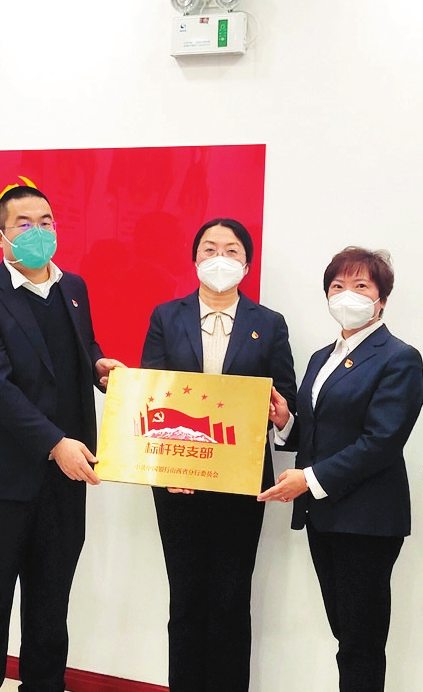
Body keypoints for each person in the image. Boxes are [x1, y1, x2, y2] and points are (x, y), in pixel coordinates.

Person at [0, 185, 123, 692]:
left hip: (65, 480)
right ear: (1, 236)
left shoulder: (74, 287)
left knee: (50, 609)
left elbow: (76, 349)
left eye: (46, 221)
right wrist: (54, 443)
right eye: (23, 223)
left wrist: (97, 367)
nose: (38, 231)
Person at [140, 218, 297, 692]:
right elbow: (151, 395)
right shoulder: (166, 317)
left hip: (242, 481)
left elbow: (286, 402)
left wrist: (282, 415)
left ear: (246, 266)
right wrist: (165, 467)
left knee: (231, 599)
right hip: (177, 481)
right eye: (209, 249)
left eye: (231, 251)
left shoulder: (268, 324)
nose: (219, 258)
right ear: (194, 260)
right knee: (186, 597)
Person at [258, 246, 423, 692]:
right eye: (337, 285)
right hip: (325, 515)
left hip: (367, 519)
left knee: (360, 642)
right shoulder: (321, 357)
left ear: (382, 299)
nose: (347, 294)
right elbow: (318, 432)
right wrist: (286, 422)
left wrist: (308, 480)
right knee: (345, 633)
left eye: (361, 285)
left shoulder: (399, 358)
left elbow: (381, 441)